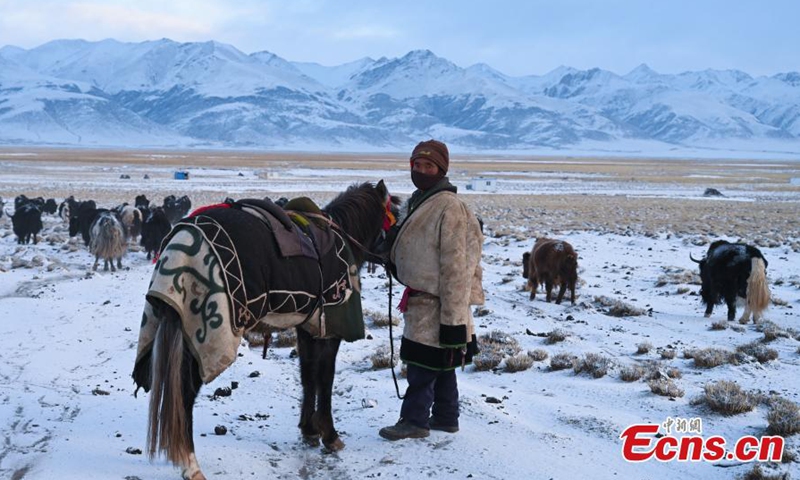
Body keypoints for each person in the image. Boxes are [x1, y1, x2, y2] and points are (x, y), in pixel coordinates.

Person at [379, 139, 484, 440]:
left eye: (429, 166)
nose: (422, 170)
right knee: (443, 364)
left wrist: (453, 320)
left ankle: (414, 421)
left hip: (439, 301)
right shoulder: (421, 200)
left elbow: (456, 267)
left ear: (442, 170)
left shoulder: (448, 207)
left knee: (422, 365)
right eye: (417, 165)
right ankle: (446, 417)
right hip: (423, 299)